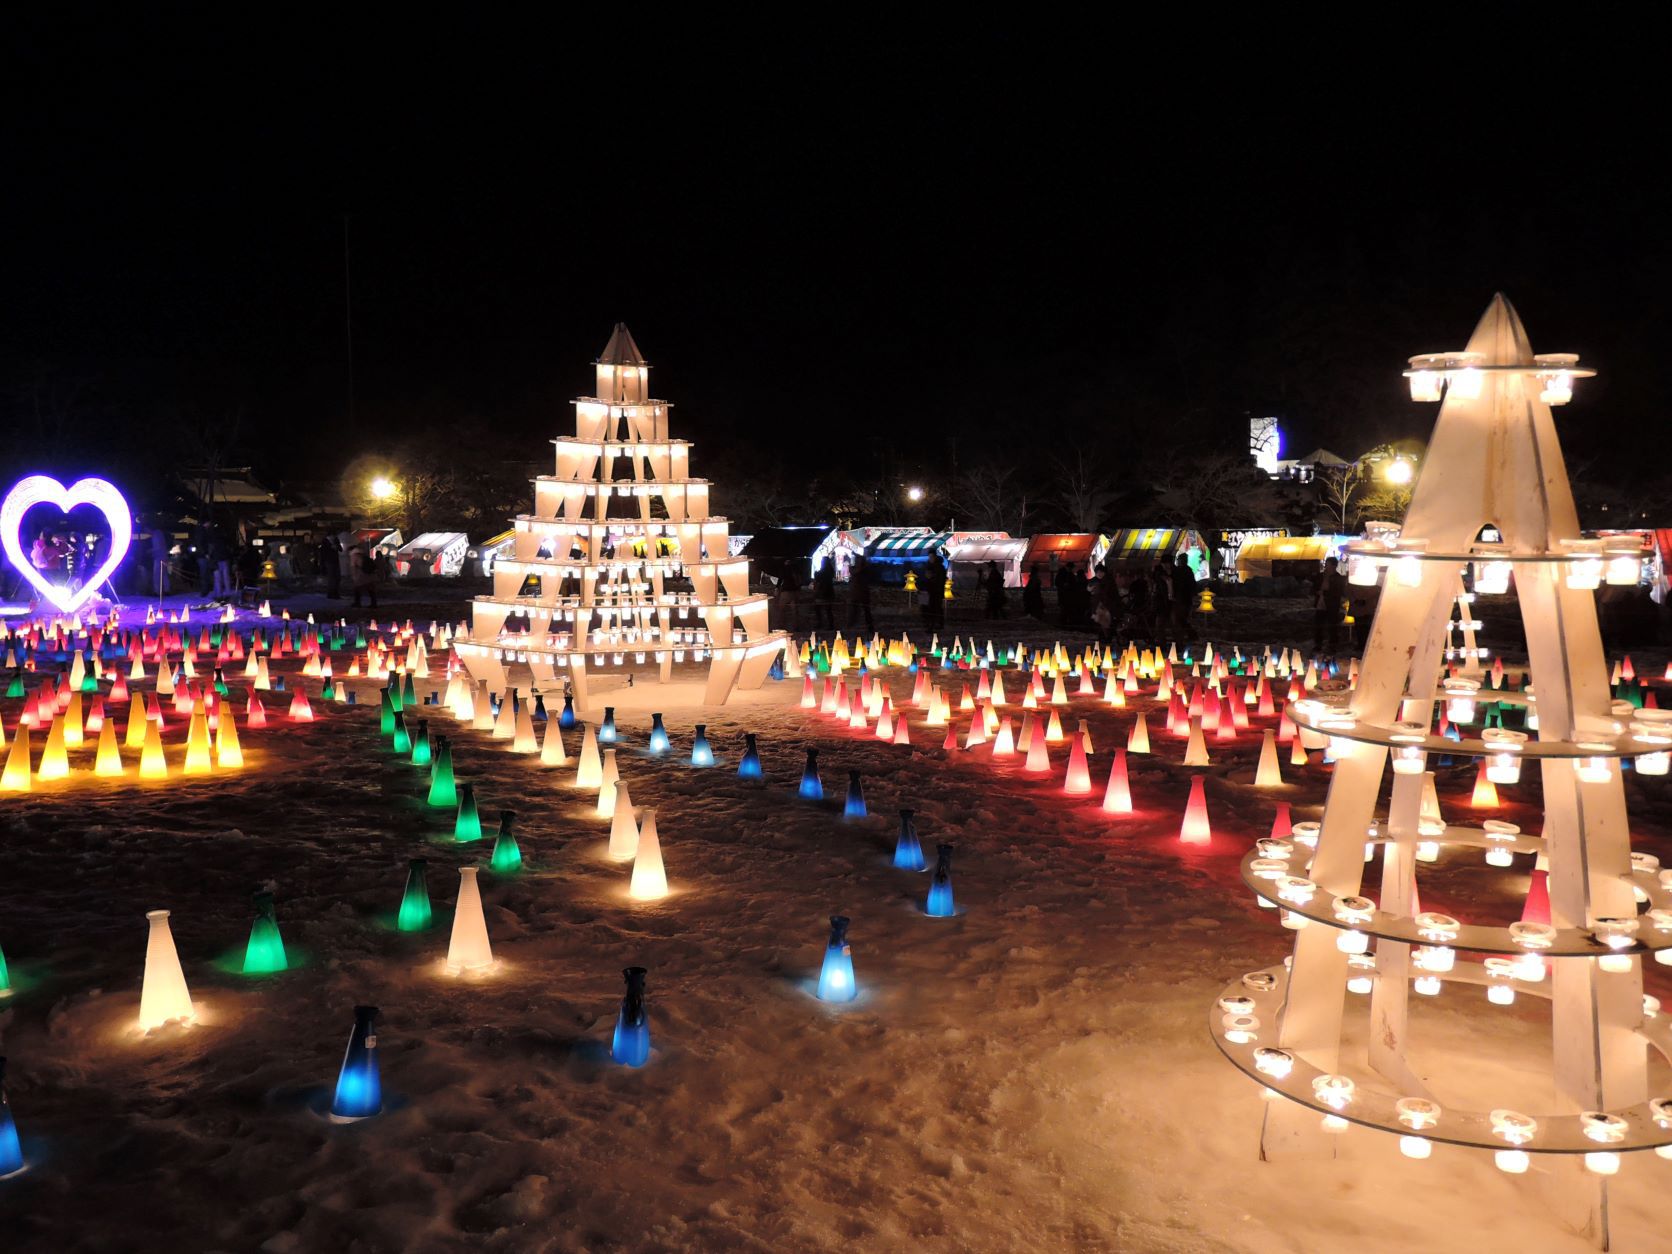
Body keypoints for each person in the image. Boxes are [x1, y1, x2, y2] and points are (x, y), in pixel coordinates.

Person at [1313, 556, 1348, 655]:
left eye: (1328, 565)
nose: (1326, 567)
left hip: (1332, 604)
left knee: (1332, 625)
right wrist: (1317, 592)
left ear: (1334, 566)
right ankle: (1318, 644)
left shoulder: (1338, 578)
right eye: (1326, 565)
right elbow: (1314, 587)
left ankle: (1333, 645)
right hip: (1321, 602)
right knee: (1318, 624)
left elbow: (1338, 592)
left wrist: (1325, 593)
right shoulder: (1321, 576)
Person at [1170, 553, 1197, 640]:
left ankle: (1187, 635)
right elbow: (1193, 585)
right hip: (1186, 599)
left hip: (1181, 599)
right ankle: (1189, 634)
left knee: (1179, 619)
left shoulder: (1178, 571)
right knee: (1182, 619)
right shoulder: (1188, 571)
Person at [846, 553, 874, 635]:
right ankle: (852, 626)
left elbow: (855, 572)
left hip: (861, 593)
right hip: (857, 592)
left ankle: (869, 627)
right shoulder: (860, 569)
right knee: (855, 611)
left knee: (865, 611)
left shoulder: (862, 570)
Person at [922, 555, 947, 632]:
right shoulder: (941, 568)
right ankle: (938, 623)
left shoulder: (937, 569)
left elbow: (935, 580)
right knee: (937, 608)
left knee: (933, 608)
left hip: (934, 591)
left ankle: (932, 625)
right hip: (937, 591)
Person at [350, 542, 378, 609]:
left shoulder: (354, 556)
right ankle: (374, 603)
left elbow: (353, 566)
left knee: (357, 589)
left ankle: (357, 603)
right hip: (370, 574)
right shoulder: (363, 555)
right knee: (370, 589)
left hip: (361, 575)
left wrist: (354, 576)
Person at [812, 559, 836, 631]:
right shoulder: (830, 571)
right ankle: (830, 624)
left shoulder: (822, 572)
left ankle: (820, 623)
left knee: (818, 608)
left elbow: (817, 579)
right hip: (829, 592)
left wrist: (816, 573)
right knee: (828, 609)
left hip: (822, 592)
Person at [317, 534, 342, 599]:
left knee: (336, 578)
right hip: (329, 561)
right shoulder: (325, 543)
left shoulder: (335, 540)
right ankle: (331, 594)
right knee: (332, 578)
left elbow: (340, 549)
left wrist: (336, 546)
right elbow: (323, 553)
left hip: (334, 561)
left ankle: (335, 593)